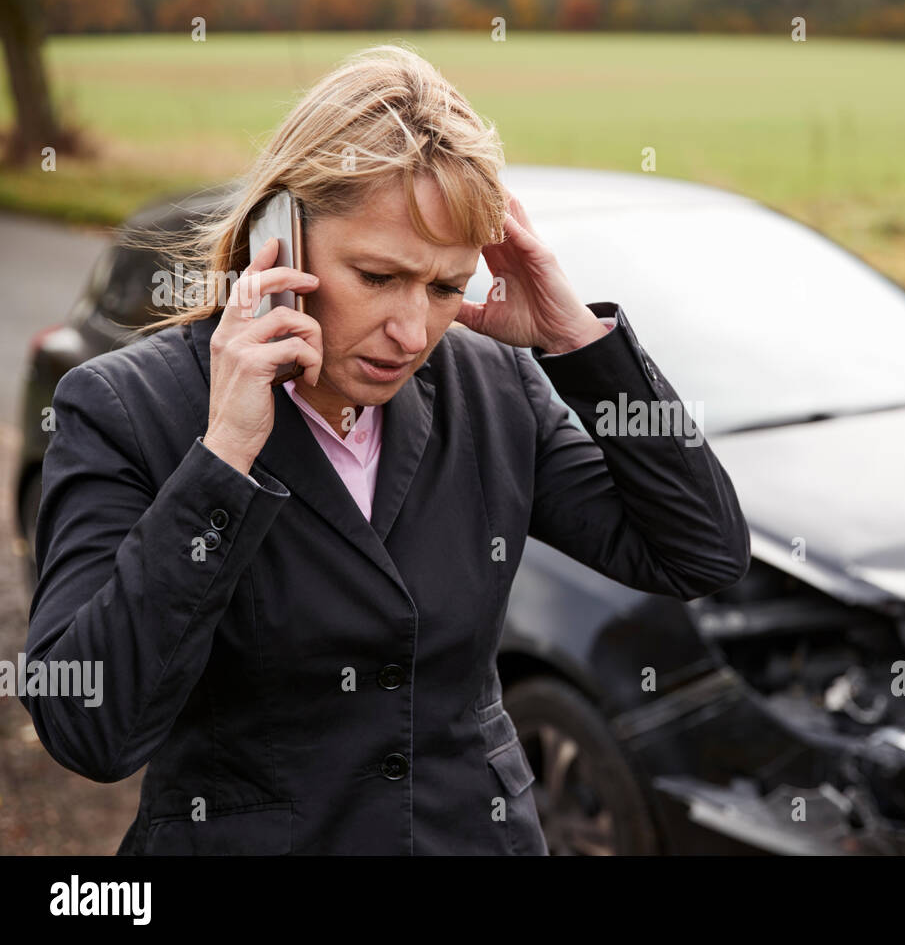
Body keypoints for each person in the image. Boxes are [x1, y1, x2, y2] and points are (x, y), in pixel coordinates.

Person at [21, 44, 750, 855]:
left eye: (444, 288)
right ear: (281, 238)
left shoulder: (494, 386)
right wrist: (223, 455)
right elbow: (87, 729)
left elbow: (700, 555)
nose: (411, 333)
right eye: (376, 276)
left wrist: (580, 342)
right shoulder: (127, 408)